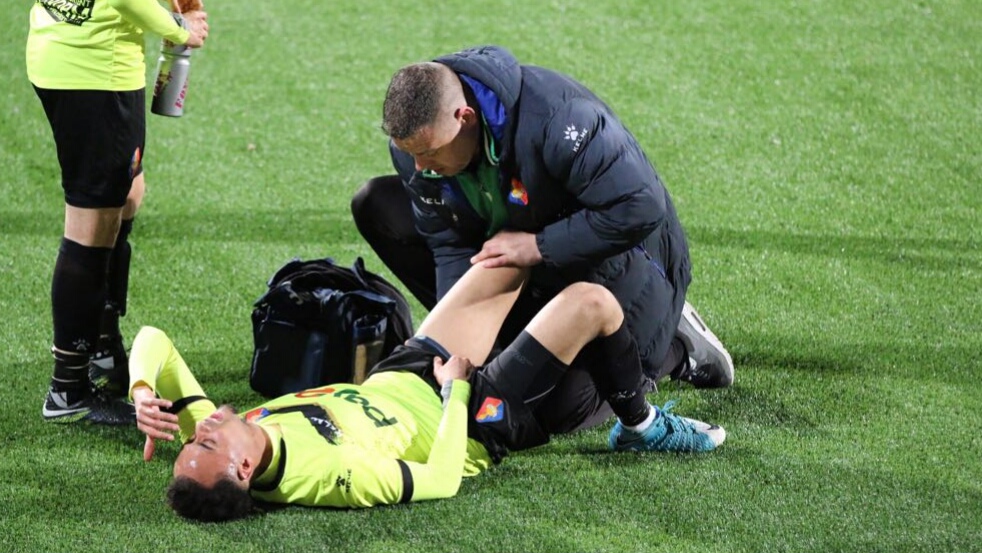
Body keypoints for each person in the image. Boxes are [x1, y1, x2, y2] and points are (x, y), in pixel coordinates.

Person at [130, 264, 726, 522]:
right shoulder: (331, 477)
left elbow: (155, 340)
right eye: (204, 445)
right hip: (473, 416)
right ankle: (650, 401)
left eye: (194, 439)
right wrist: (457, 392)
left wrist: (141, 390)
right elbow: (440, 480)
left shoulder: (226, 436)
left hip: (406, 369)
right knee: (590, 303)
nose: (200, 430)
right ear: (241, 470)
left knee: (508, 252)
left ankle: (627, 330)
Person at [350, 45, 734, 434]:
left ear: (464, 118)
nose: (418, 167)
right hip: (525, 262)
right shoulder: (419, 148)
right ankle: (511, 340)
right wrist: (456, 343)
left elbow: (640, 207)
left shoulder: (559, 120)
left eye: (428, 151)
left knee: (559, 412)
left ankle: (677, 346)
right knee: (376, 204)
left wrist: (538, 246)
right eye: (409, 153)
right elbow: (449, 243)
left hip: (618, 264)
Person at [27, 0, 209, 424]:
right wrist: (178, 28)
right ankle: (68, 388)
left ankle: (102, 344)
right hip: (92, 75)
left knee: (127, 194)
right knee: (91, 223)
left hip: (68, 51)